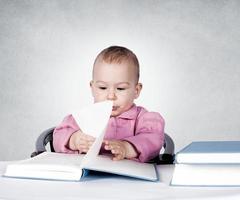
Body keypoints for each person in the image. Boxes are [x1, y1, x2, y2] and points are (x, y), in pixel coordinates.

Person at [53, 46, 165, 163]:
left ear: (136, 90)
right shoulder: (81, 118)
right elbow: (57, 136)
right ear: (92, 88)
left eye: (120, 88)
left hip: (130, 179)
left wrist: (126, 147)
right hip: (87, 177)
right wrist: (74, 140)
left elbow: (153, 139)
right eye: (102, 87)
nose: (111, 96)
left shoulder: (144, 119)